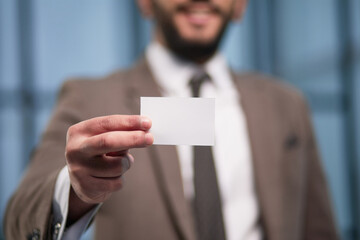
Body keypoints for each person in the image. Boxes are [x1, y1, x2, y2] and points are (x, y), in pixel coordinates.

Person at [4, 0, 339, 239]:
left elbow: (319, 229)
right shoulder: (89, 98)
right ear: (144, 2)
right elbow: (19, 222)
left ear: (241, 5)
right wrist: (74, 190)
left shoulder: (287, 105)